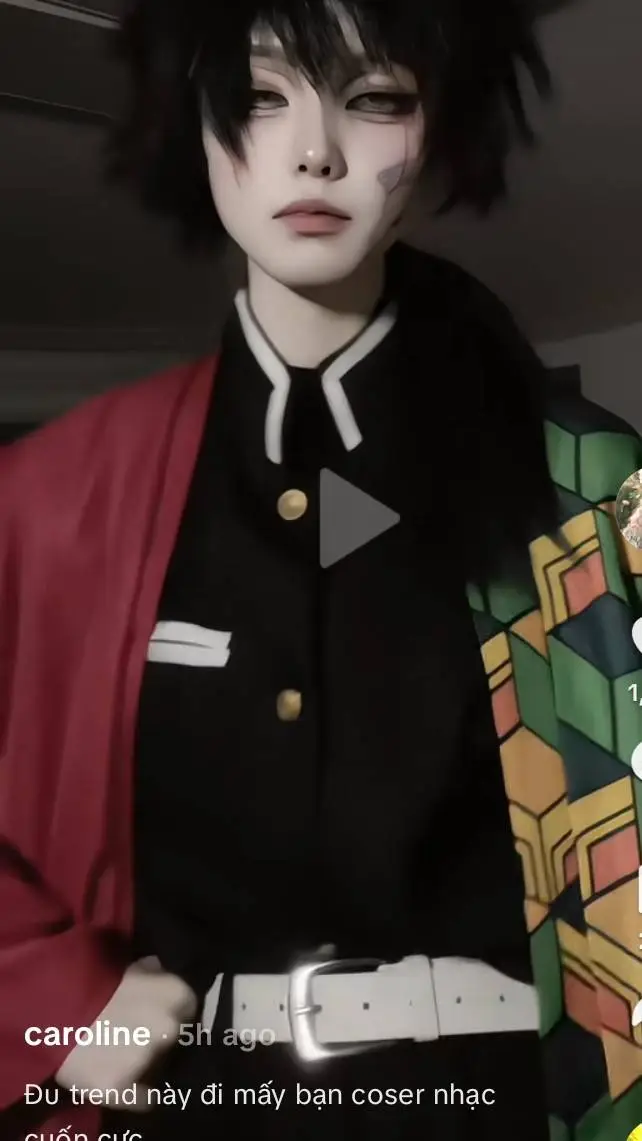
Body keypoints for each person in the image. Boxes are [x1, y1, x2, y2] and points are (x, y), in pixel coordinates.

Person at [1, 1, 641, 1139]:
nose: (315, 151)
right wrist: (53, 999)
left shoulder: (586, 488)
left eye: (374, 97)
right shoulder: (58, 499)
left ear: (435, 131)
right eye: (259, 96)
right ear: (196, 126)